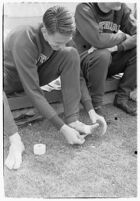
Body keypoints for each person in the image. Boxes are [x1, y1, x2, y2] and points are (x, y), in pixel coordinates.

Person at [4, 6, 107, 170]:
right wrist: (62, 128)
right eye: (58, 42)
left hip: (35, 73)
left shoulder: (62, 37)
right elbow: (33, 91)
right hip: (9, 79)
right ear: (45, 32)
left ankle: (73, 120)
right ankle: (16, 141)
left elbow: (78, 75)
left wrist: (91, 110)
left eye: (65, 41)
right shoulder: (24, 38)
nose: (61, 45)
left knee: (71, 53)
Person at [73, 2, 136, 116]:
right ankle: (96, 105)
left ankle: (122, 97)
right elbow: (98, 40)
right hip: (86, 63)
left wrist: (117, 47)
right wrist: (122, 35)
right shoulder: (84, 8)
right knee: (102, 54)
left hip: (110, 60)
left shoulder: (121, 8)